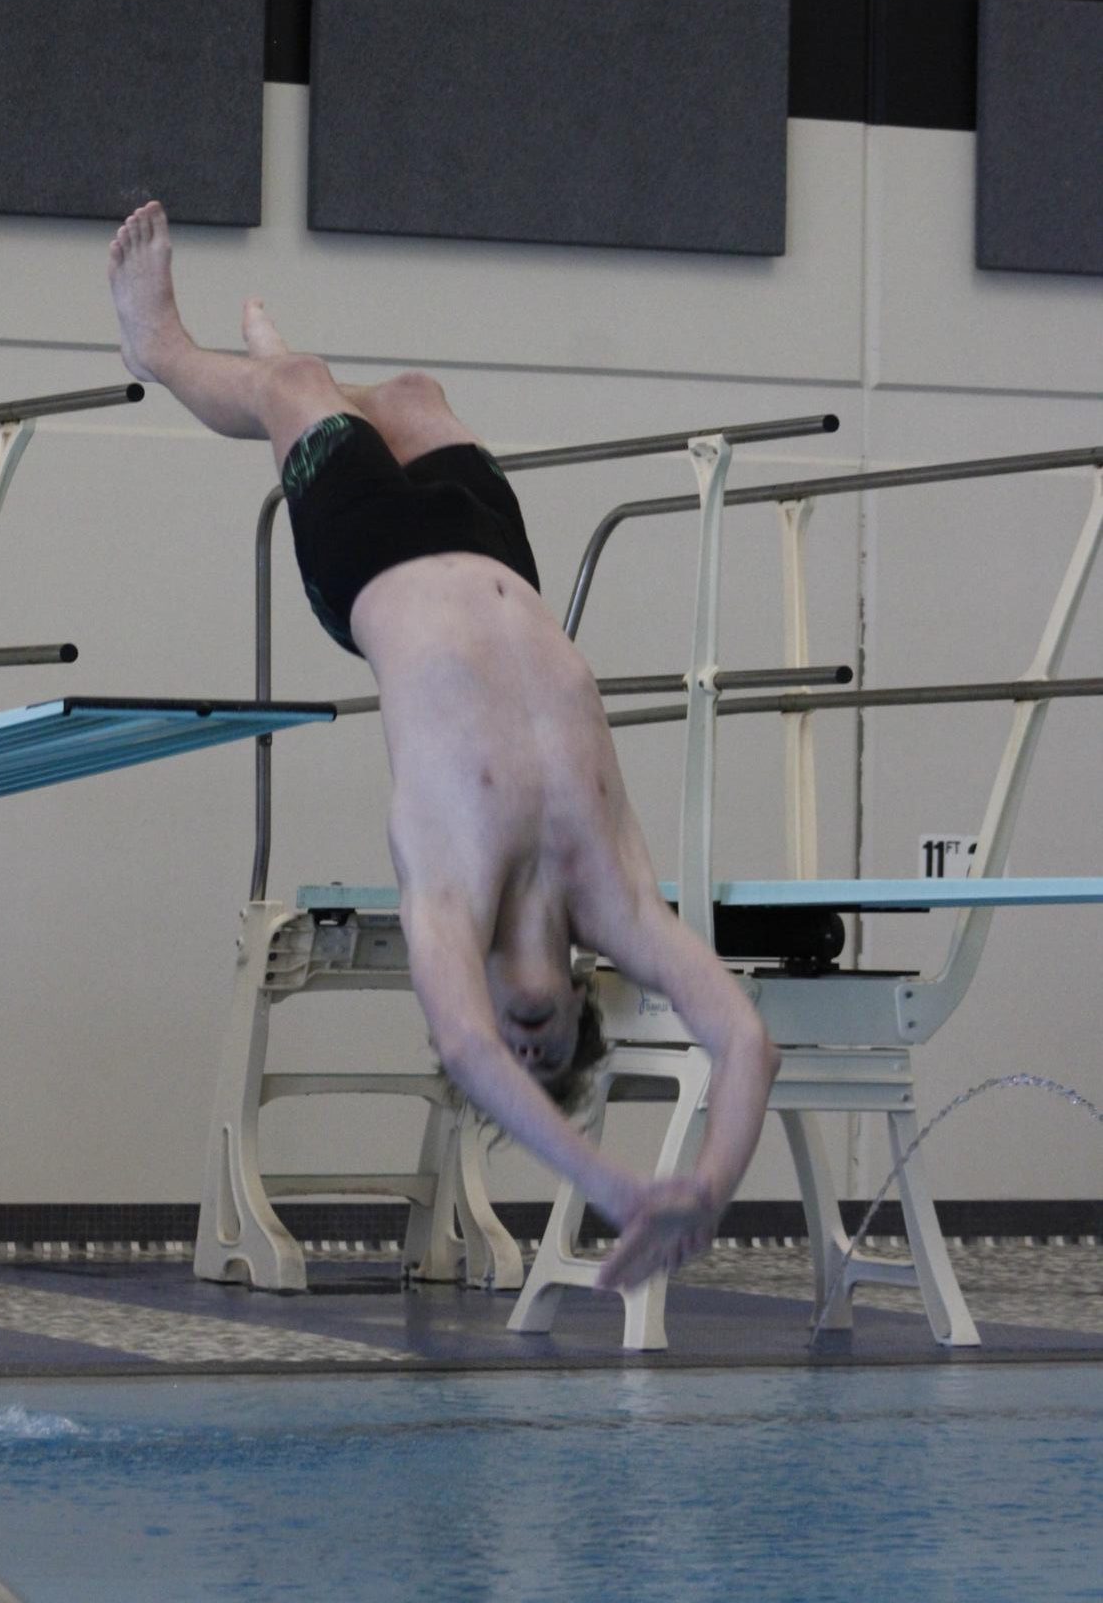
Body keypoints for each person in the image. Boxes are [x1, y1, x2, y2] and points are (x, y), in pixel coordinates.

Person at [107, 200, 780, 1293]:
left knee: (295, 390)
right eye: (548, 1047)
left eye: (514, 1063)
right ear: (576, 1002)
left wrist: (609, 1187)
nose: (519, 1042)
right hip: (496, 558)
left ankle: (170, 352)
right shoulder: (616, 900)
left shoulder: (448, 907)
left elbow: (464, 1050)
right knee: (416, 396)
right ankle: (314, 391)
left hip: (370, 569)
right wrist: (704, 1181)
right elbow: (745, 1042)